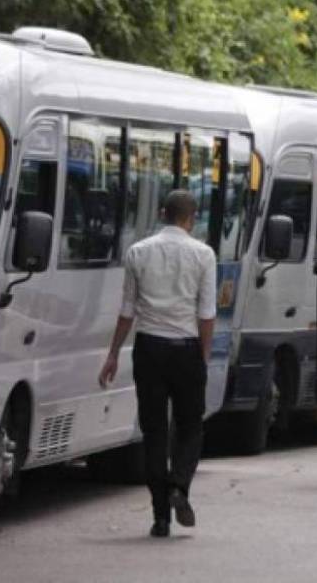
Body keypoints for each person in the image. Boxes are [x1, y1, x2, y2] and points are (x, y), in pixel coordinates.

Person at [99, 190, 216, 538]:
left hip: (148, 348)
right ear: (191, 218)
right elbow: (206, 314)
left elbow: (126, 311)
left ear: (163, 213)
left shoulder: (138, 252)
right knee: (190, 426)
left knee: (154, 432)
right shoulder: (203, 255)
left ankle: (160, 517)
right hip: (186, 349)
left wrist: (112, 353)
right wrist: (203, 357)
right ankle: (179, 485)